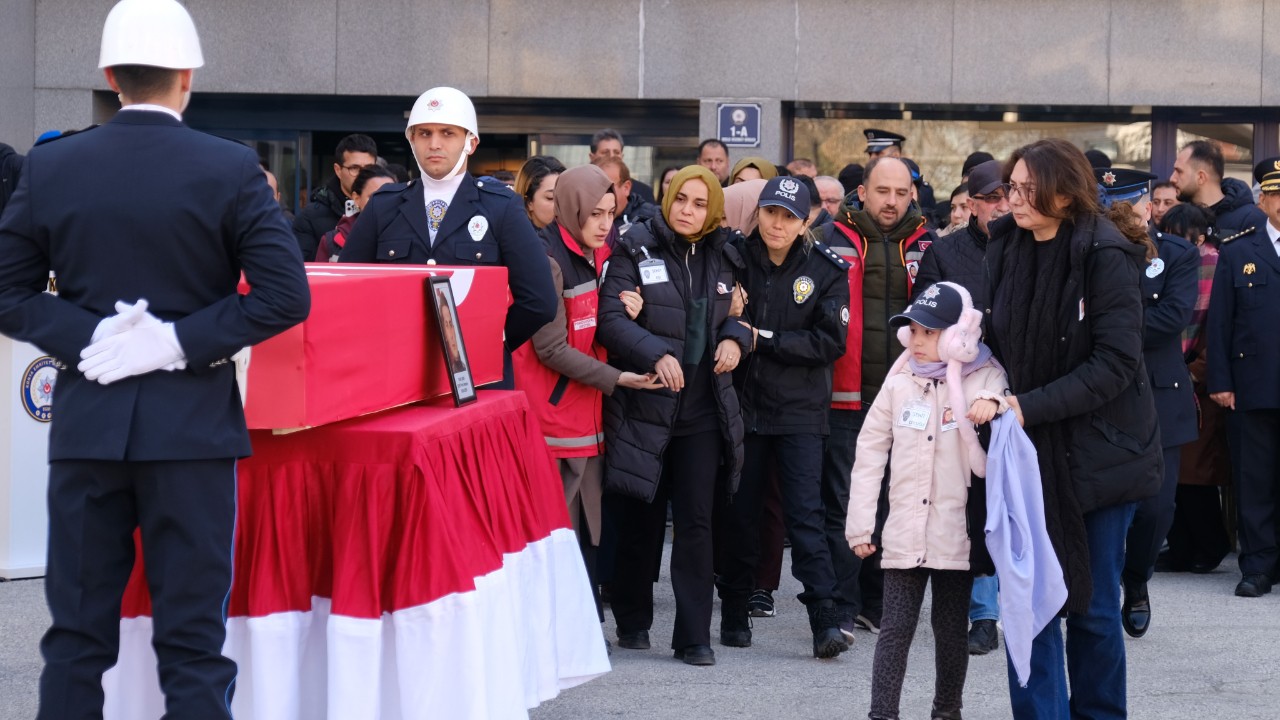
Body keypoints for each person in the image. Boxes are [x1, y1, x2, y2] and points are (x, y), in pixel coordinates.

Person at [0, 1, 311, 716]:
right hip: (193, 433)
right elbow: (285, 297)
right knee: (193, 644)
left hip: (88, 429)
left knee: (76, 641)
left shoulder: (51, 165)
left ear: (110, 76)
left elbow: (8, 291)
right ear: (188, 77)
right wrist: (174, 344)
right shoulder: (230, 167)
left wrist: (91, 340)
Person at [984, 138, 1161, 718]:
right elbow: (994, 340)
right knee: (1028, 605)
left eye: (1028, 187)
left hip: (1102, 457)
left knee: (1093, 611)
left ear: (1067, 189)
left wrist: (1027, 406)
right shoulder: (1006, 244)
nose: (1015, 197)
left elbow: (1115, 363)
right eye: (1012, 186)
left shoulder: (1105, 253)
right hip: (1028, 456)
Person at [597, 165, 751, 667]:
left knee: (697, 523)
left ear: (713, 210)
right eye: (680, 199)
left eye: (699, 202)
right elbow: (610, 318)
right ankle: (633, 621)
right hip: (647, 404)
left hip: (704, 413)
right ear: (667, 200)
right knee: (640, 516)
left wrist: (735, 337)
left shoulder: (727, 251)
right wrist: (652, 353)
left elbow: (744, 315)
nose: (688, 210)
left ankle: (693, 637)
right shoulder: (634, 246)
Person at [847, 281, 1008, 720]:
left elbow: (1001, 400)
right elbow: (869, 453)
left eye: (930, 333)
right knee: (894, 630)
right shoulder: (899, 382)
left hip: (956, 530)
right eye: (913, 331)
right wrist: (861, 526)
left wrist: (992, 402)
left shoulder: (985, 374)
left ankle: (946, 710)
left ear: (959, 336)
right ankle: (882, 714)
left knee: (950, 628)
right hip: (904, 530)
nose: (917, 341)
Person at [514, 164, 660, 646]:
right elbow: (551, 349)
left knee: (587, 525)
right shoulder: (549, 259)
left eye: (611, 214)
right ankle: (548, 633)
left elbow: (594, 327)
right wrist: (618, 377)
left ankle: (573, 626)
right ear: (572, 209)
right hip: (553, 412)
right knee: (555, 528)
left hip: (588, 409)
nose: (604, 224)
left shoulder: (599, 256)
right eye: (594, 214)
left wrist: (623, 306)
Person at [717, 176, 852, 659]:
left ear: (806, 220)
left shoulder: (827, 269)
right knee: (740, 513)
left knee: (805, 518)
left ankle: (825, 622)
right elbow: (715, 314)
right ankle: (734, 611)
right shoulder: (734, 256)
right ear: (760, 212)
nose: (778, 223)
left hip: (799, 413)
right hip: (745, 408)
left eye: (789, 216)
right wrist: (736, 326)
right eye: (771, 212)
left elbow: (828, 343)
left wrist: (760, 337)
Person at [338, 86, 558, 363]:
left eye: (448, 133)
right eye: (424, 133)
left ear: (471, 143)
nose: (434, 144)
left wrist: (490, 341)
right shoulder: (384, 206)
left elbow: (540, 302)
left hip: (476, 373)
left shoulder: (501, 206)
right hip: (396, 366)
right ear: (412, 140)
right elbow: (347, 291)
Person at [817, 155, 938, 636]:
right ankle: (841, 605)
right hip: (846, 394)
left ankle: (877, 603)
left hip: (909, 397)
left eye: (901, 193)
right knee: (847, 501)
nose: (891, 202)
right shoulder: (829, 239)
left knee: (897, 499)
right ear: (862, 192)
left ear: (913, 195)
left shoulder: (929, 245)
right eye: (882, 191)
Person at [910, 158, 1010, 656]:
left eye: (1006, 195)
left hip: (1019, 394)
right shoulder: (945, 253)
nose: (1000, 206)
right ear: (970, 203)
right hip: (962, 393)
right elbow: (923, 322)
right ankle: (983, 612)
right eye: (990, 198)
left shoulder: (1030, 245)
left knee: (1018, 500)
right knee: (973, 501)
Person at [1098, 169, 1198, 637]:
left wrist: (1114, 325)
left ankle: (1135, 581)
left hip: (1159, 391)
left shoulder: (1177, 253)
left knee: (1157, 507)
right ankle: (1095, 586)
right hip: (1102, 391)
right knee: (1098, 499)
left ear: (1148, 205)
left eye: (1134, 203)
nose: (1132, 212)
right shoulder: (1090, 251)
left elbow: (1173, 317)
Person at [1206, 156, 1280, 598]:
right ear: (1265, 200)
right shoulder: (1238, 251)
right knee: (1253, 479)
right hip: (1252, 385)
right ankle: (1257, 565)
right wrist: (1220, 381)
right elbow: (1220, 323)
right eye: (1276, 195)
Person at [1158, 203, 1232, 574]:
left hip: (1199, 383)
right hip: (1171, 376)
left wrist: (1196, 371)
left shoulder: (1215, 265)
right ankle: (1183, 547)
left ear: (1201, 236)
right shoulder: (1162, 266)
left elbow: (1219, 328)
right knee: (1173, 473)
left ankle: (1209, 545)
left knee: (1196, 473)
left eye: (1180, 234)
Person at [292, 133, 377, 261]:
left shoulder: (387, 211)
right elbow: (304, 268)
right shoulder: (310, 217)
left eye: (369, 168)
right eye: (354, 168)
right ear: (338, 170)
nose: (363, 175)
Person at [1171, 139, 1267, 238]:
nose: (1172, 179)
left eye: (1179, 171)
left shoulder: (1251, 220)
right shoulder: (1179, 218)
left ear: (1201, 177)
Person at [315, 165, 395, 261]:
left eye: (392, 196)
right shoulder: (331, 242)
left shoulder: (409, 237)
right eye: (375, 196)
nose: (384, 203)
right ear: (356, 198)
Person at [594, 156, 658, 236]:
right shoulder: (582, 217)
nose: (598, 194)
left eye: (607, 187)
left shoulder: (654, 220)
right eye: (593, 187)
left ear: (626, 188)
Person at [589, 128, 654, 203]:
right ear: (592, 157)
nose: (612, 156)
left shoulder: (643, 191)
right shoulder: (580, 187)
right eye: (605, 152)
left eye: (616, 152)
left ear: (622, 156)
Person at [515, 155, 566, 229]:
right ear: (528, 202)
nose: (561, 205)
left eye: (565, 196)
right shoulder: (516, 238)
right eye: (550, 198)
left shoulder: (580, 235)